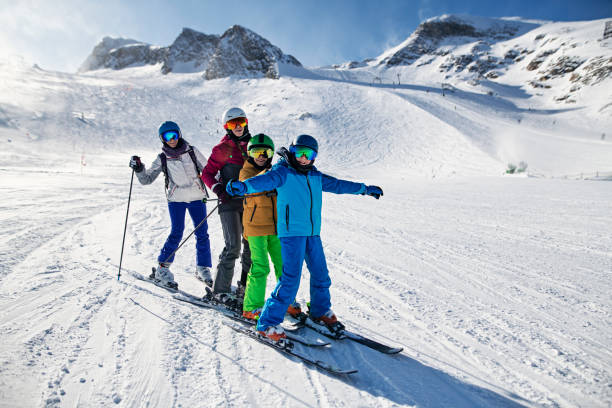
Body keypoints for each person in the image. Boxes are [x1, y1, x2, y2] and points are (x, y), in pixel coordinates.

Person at [226, 134, 383, 341]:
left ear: (314, 156)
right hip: (291, 233)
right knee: (290, 278)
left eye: (308, 154)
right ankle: (267, 323)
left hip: (312, 233)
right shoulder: (283, 172)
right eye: (298, 153)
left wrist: (363, 189)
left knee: (321, 274)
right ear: (291, 152)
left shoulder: (315, 175)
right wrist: (244, 187)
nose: (302, 158)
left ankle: (320, 311)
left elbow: (338, 185)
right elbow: (263, 181)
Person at [129, 121, 213, 287]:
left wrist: (222, 184)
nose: (171, 139)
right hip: (176, 200)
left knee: (202, 232)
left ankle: (203, 268)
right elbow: (147, 179)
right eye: (167, 136)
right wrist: (138, 168)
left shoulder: (192, 151)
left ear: (179, 134)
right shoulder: (162, 158)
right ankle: (162, 268)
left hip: (197, 197)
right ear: (162, 139)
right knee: (177, 232)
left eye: (174, 135)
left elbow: (209, 170)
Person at [238, 134, 302, 321]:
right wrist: (274, 172)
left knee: (283, 265)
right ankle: (252, 307)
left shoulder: (275, 172)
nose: (261, 156)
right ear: (250, 153)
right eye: (256, 152)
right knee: (260, 267)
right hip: (256, 228)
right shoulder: (246, 172)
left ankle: (286, 301)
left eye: (265, 152)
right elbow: (254, 184)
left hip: (276, 227)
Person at [200, 107, 252, 306]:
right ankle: (220, 291)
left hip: (251, 203)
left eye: (241, 122)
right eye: (233, 124)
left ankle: (245, 287)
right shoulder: (222, 149)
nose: (238, 127)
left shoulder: (254, 145)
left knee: (251, 247)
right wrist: (219, 189)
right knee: (234, 246)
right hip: (229, 203)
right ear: (226, 127)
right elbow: (207, 174)